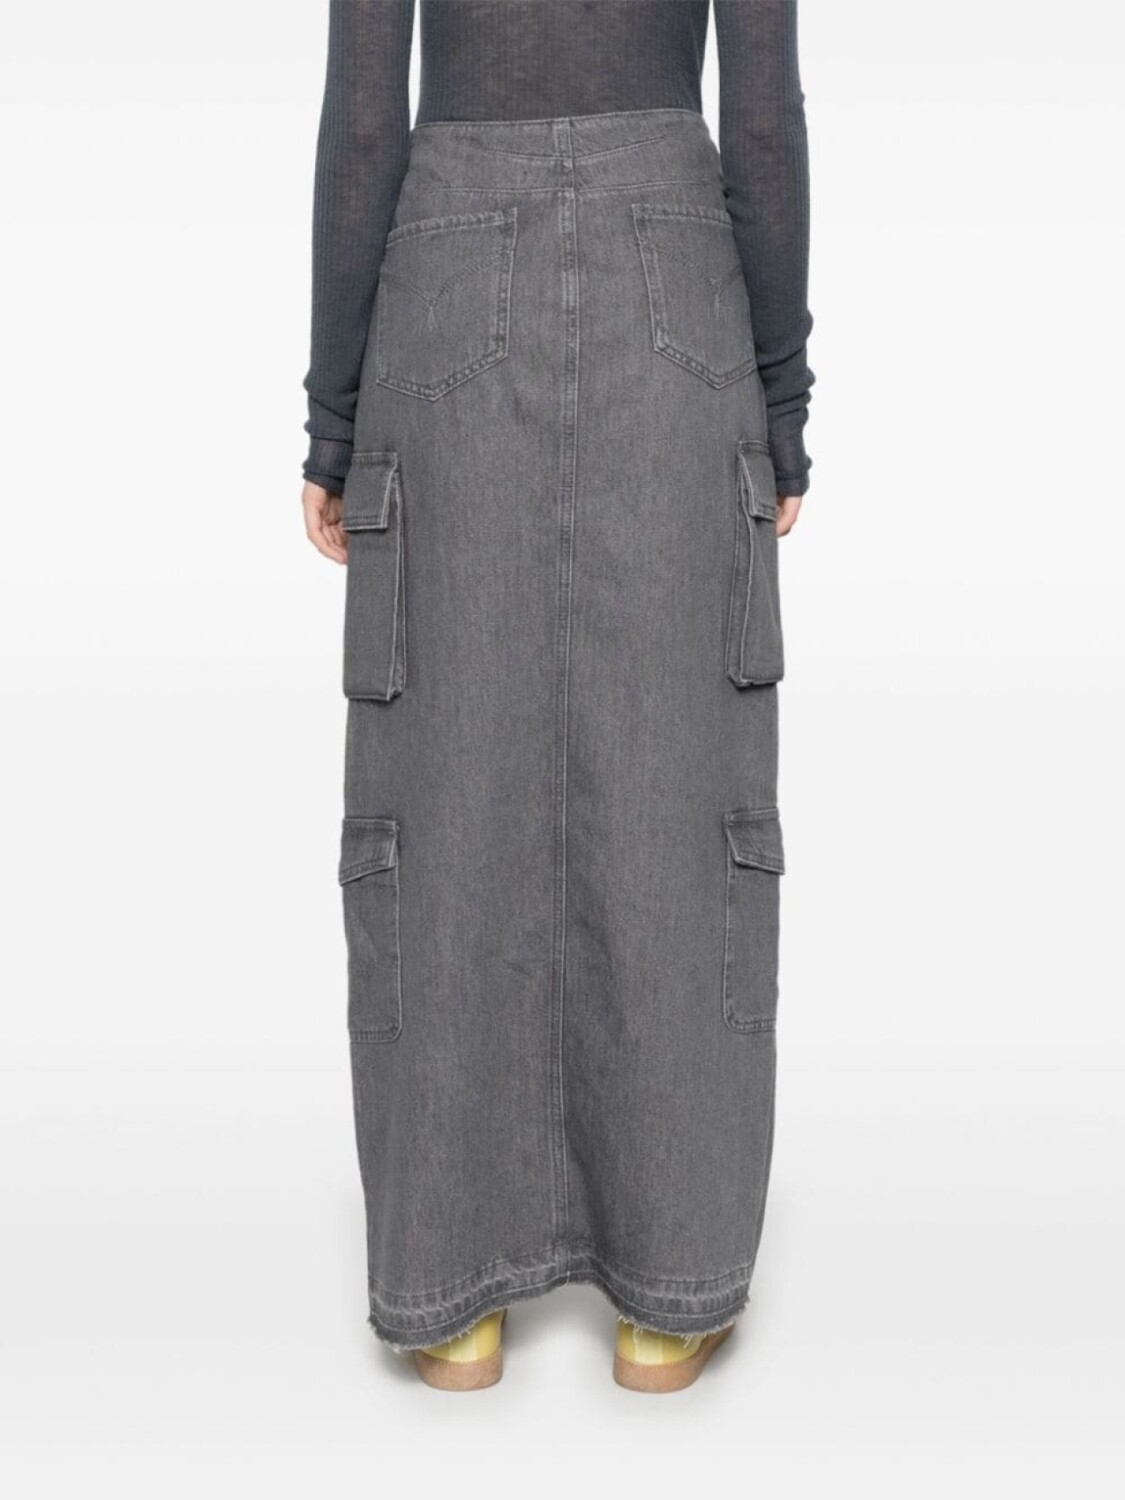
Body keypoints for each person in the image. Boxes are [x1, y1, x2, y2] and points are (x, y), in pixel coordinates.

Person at [300, 0, 813, 1393]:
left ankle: (450, 1298)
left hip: (443, 257)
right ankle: (669, 1293)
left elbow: (364, 123)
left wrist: (335, 423)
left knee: (444, 777)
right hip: (677, 273)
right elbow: (763, 121)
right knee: (674, 770)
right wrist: (778, 405)